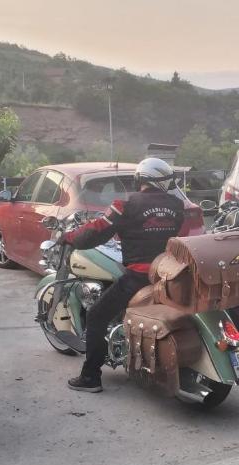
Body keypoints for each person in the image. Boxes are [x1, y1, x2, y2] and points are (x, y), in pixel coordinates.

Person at [61, 158, 186, 393]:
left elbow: (96, 232)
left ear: (141, 179)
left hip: (139, 277)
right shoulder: (177, 206)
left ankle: (90, 377)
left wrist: (69, 237)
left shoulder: (126, 205)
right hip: (168, 274)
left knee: (96, 315)